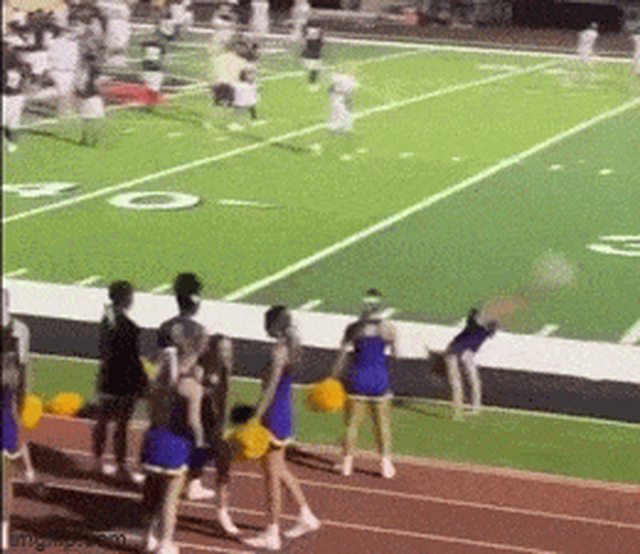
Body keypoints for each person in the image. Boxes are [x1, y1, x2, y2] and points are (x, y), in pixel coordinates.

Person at [244, 306, 320, 551]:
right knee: (279, 469)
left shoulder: (278, 351)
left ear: (273, 325)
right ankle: (306, 516)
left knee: (271, 476)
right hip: (284, 411)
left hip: (274, 414)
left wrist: (255, 417)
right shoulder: (292, 347)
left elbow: (270, 388)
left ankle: (272, 532)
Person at [157, 273, 215, 501]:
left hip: (165, 387)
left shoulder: (165, 327)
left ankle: (163, 473)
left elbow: (161, 360)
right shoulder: (200, 331)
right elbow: (203, 364)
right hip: (190, 386)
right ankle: (194, 481)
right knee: (196, 431)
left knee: (166, 427)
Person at [331, 290, 397, 479]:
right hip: (379, 379)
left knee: (352, 425)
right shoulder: (388, 328)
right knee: (383, 425)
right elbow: (396, 354)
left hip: (358, 378)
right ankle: (385, 465)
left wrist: (333, 376)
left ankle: (346, 465)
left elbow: (341, 357)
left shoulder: (353, 328)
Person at [92, 281, 148, 481]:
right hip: (123, 379)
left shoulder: (107, 319)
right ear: (125, 298)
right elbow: (131, 357)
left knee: (103, 420)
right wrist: (143, 381)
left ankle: (97, 461)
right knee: (121, 423)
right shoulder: (127, 325)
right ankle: (121, 466)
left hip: (107, 375)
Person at [196, 334, 239, 535]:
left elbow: (224, 399)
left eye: (229, 349)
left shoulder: (225, 368)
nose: (227, 353)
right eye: (223, 349)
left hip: (215, 428)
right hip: (199, 427)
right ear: (214, 350)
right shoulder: (202, 368)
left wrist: (224, 425)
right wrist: (205, 386)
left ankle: (222, 511)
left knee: (223, 464)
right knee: (187, 468)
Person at [2, 289, 33, 550]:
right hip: (7, 419)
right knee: (5, 479)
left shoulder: (20, 330)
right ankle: (3, 527)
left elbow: (23, 373)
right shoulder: (20, 330)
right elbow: (23, 372)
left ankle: (3, 526)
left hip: (7, 415)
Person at [443, 308, 498, 420]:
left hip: (466, 353)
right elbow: (474, 318)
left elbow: (483, 323)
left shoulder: (484, 330)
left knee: (472, 379)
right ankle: (458, 411)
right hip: (454, 352)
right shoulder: (476, 326)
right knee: (457, 381)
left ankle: (474, 407)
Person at [3, 43, 30, 153]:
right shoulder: (20, 63)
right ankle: (12, 143)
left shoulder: (18, 65)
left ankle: (12, 142)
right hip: (15, 95)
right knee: (12, 121)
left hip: (11, 95)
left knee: (11, 121)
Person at [48, 26, 80, 117]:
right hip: (59, 71)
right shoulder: (55, 43)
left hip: (70, 71)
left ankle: (67, 110)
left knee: (69, 92)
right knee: (63, 92)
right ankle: (62, 112)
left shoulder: (74, 43)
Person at [76, 50, 105, 146]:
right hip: (94, 96)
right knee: (95, 118)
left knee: (86, 118)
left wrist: (80, 92)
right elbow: (98, 84)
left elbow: (81, 84)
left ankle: (86, 138)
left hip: (88, 96)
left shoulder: (85, 71)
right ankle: (93, 139)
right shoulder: (96, 70)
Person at [301, 23, 323, 88]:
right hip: (313, 56)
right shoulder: (314, 40)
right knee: (314, 68)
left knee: (314, 68)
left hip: (312, 56)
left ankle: (312, 81)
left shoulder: (313, 40)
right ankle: (312, 81)